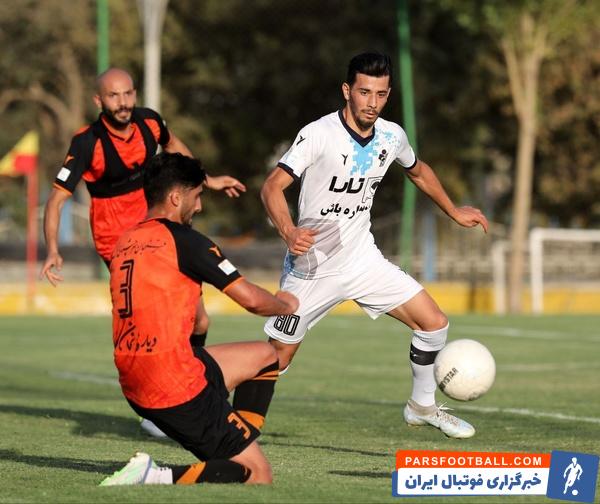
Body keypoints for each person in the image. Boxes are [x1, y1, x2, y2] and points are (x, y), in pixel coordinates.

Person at [260, 52, 489, 439]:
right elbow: (272, 186)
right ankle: (208, 409)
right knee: (274, 359)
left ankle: (422, 406)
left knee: (433, 323)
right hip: (313, 266)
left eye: (381, 94)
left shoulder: (391, 136)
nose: (372, 102)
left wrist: (453, 211)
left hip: (362, 260)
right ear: (347, 91)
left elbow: (418, 171)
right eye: (364, 92)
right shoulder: (318, 133)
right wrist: (288, 231)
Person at [40, 68, 244, 436]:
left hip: (160, 230)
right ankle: (158, 407)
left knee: (200, 322)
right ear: (98, 101)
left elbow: (176, 148)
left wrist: (208, 180)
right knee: (157, 323)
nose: (123, 103)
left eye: (128, 93)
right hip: (119, 242)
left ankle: (193, 392)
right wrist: (52, 249)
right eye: (113, 96)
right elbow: (56, 201)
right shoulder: (87, 143)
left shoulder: (150, 122)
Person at [100, 152, 298, 486]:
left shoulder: (126, 241)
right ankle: (153, 475)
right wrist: (285, 305)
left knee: (266, 355)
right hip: (171, 384)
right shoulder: (185, 241)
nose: (200, 206)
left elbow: (197, 321)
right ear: (176, 198)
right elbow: (251, 300)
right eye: (197, 196)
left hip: (135, 376)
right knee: (257, 475)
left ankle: (237, 437)